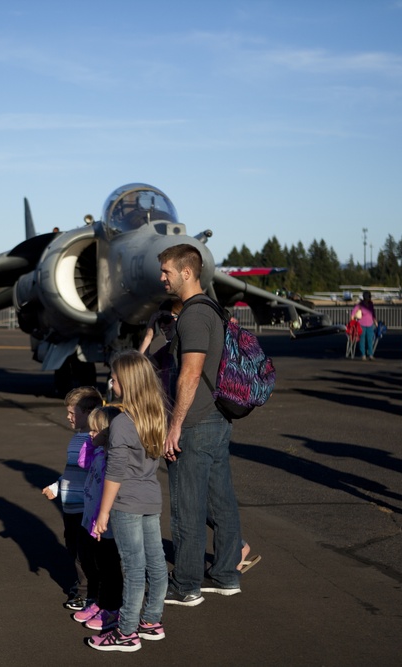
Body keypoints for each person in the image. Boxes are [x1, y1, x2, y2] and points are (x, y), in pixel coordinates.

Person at [158, 243, 242, 607]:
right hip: (217, 418)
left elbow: (191, 372)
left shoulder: (193, 315)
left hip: (194, 421)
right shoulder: (213, 309)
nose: (162, 278)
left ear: (187, 273)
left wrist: (175, 424)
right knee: (220, 502)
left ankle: (187, 584)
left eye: (167, 272)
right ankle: (225, 575)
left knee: (187, 507)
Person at [89, 350, 168, 652]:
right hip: (151, 499)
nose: (111, 379)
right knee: (156, 564)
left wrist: (103, 513)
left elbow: (115, 473)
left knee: (134, 569)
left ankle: (125, 633)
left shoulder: (122, 423)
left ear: (128, 382)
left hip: (127, 502)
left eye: (115, 376)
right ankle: (151, 621)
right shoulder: (156, 414)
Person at [42, 386, 104, 610]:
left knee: (85, 553)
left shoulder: (95, 440)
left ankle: (87, 592)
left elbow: (98, 474)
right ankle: (85, 588)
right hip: (70, 506)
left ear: (89, 412)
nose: (68, 417)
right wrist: (57, 487)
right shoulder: (77, 438)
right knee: (73, 548)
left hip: (86, 508)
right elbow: (71, 472)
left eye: (72, 412)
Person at [75, 405, 124, 631]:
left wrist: (98, 521)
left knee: (109, 567)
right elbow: (81, 462)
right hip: (91, 522)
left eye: (95, 431)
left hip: (105, 525)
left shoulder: (111, 461)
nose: (90, 434)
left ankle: (112, 607)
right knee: (97, 564)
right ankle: (101, 602)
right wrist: (92, 441)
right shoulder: (97, 453)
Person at [350, 291, 377, 360]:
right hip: (362, 324)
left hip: (370, 324)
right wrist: (352, 319)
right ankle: (363, 354)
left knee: (370, 339)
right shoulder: (360, 304)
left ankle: (370, 354)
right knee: (362, 339)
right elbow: (353, 312)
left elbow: (373, 313)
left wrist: (375, 321)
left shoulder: (371, 304)